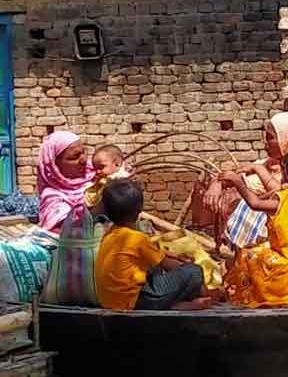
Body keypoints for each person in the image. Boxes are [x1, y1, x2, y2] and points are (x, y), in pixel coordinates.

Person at [202, 112, 288, 248]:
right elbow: (230, 177)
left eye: (270, 138)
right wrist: (216, 184)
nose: (265, 143)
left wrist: (247, 180)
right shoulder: (268, 164)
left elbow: (263, 201)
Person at [221, 150, 288, 308]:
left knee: (248, 254)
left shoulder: (286, 200)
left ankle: (248, 297)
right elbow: (275, 188)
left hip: (284, 271)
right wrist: (259, 170)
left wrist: (238, 182)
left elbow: (255, 203)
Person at [96, 179, 206, 310]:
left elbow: (154, 257)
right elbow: (171, 266)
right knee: (194, 271)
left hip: (110, 301)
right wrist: (187, 266)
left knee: (154, 269)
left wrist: (171, 257)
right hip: (136, 301)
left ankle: (174, 303)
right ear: (139, 211)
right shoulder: (137, 238)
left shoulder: (108, 235)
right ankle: (178, 304)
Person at [36, 131, 94, 233]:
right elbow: (65, 232)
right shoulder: (53, 197)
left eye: (83, 152)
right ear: (54, 165)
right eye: (74, 157)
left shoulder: (95, 173)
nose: (84, 160)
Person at [84, 144, 131, 211]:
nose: (97, 171)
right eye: (96, 168)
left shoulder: (119, 178)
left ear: (117, 164)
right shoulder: (102, 177)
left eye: (101, 167)